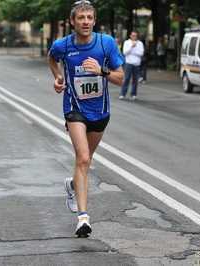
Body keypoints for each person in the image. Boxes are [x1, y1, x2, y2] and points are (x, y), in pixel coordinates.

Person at [48, 0, 124, 238]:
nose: (86, 22)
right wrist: (58, 77)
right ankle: (83, 218)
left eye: (89, 18)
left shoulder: (106, 43)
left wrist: (102, 70)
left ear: (94, 20)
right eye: (81, 18)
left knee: (86, 161)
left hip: (100, 111)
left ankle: (72, 186)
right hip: (74, 109)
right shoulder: (63, 45)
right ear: (73, 21)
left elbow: (120, 78)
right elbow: (52, 57)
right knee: (82, 158)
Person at [119, 31, 144, 100]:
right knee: (126, 79)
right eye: (133, 35)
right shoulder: (127, 42)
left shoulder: (140, 43)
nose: (134, 37)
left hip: (137, 63)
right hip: (129, 63)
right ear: (130, 36)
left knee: (135, 80)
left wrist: (132, 51)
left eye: (136, 36)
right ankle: (122, 94)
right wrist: (131, 47)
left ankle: (133, 94)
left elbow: (141, 53)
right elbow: (125, 52)